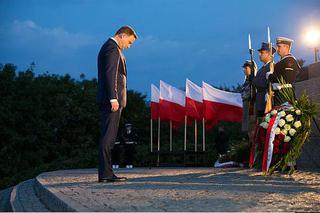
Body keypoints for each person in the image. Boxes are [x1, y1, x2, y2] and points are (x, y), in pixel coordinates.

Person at [96, 26, 137, 183]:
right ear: (122, 35)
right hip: (111, 101)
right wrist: (113, 98)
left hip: (112, 100)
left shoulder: (111, 47)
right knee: (108, 137)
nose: (129, 46)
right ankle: (106, 174)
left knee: (110, 137)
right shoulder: (112, 48)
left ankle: (107, 172)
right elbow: (110, 74)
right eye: (129, 42)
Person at [266, 37, 301, 106]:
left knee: (284, 115)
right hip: (279, 94)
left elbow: (287, 78)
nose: (277, 49)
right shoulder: (281, 61)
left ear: (287, 47)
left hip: (286, 94)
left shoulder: (289, 60)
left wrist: (270, 76)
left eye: (279, 46)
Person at [253, 42, 276, 119]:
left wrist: (254, 80)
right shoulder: (262, 68)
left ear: (269, 54)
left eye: (262, 52)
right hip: (260, 101)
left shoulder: (271, 67)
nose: (260, 54)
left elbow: (265, 84)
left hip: (267, 102)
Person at [241, 60, 257, 132]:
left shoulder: (254, 80)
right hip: (246, 104)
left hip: (252, 106)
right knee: (247, 127)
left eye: (246, 68)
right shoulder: (246, 81)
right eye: (244, 68)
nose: (244, 70)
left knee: (252, 127)